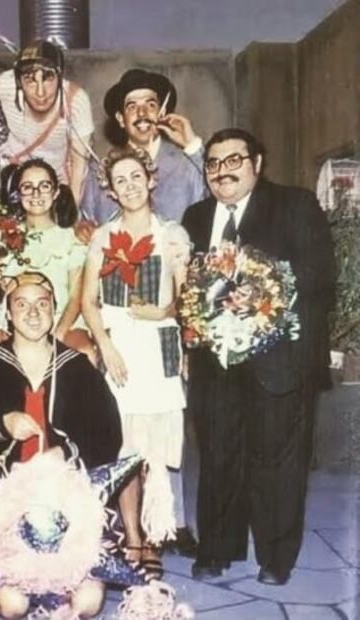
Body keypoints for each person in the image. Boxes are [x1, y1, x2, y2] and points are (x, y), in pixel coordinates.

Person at [182, 128, 336, 585]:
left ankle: (275, 557)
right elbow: (187, 288)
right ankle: (216, 549)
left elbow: (320, 275)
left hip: (279, 360)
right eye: (213, 163)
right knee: (218, 456)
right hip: (215, 362)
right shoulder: (195, 217)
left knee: (277, 463)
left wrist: (264, 294)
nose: (222, 171)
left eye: (234, 160)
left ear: (258, 163)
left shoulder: (295, 204)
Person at [0, 271, 122, 618]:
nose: (34, 313)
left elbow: (108, 433)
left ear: (54, 309)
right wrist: (0, 426)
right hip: (8, 506)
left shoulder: (77, 368)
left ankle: (60, 580)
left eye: (42, 304)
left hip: (67, 503)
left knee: (87, 604)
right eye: (22, 305)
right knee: (14, 606)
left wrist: (66, 452)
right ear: (8, 314)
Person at [81, 148, 190, 578]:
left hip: (159, 347)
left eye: (135, 177)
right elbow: (88, 301)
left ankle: (155, 537)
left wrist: (163, 312)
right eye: (120, 180)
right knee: (125, 448)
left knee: (154, 452)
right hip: (120, 349)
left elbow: (187, 300)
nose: (129, 186)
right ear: (110, 190)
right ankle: (132, 537)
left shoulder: (172, 234)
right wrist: (105, 345)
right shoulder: (103, 237)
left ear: (151, 180)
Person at [0, 158, 93, 360]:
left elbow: (75, 298)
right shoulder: (1, 238)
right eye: (27, 187)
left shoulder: (72, 240)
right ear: (18, 194)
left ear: (56, 192)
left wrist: (59, 333)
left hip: (62, 319)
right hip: (11, 320)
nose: (36, 194)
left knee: (83, 352)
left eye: (44, 186)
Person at [80, 68, 206, 225]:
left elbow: (216, 206)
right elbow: (87, 222)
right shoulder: (99, 172)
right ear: (121, 119)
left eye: (150, 105)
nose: (142, 113)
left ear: (162, 112)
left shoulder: (188, 165)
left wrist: (193, 145)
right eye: (132, 107)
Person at [0, 39, 94, 206]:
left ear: (59, 76)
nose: (40, 92)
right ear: (19, 82)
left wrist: (72, 210)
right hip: (12, 169)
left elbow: (79, 166)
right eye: (30, 80)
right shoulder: (5, 86)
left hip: (57, 175)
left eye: (48, 78)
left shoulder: (76, 101)